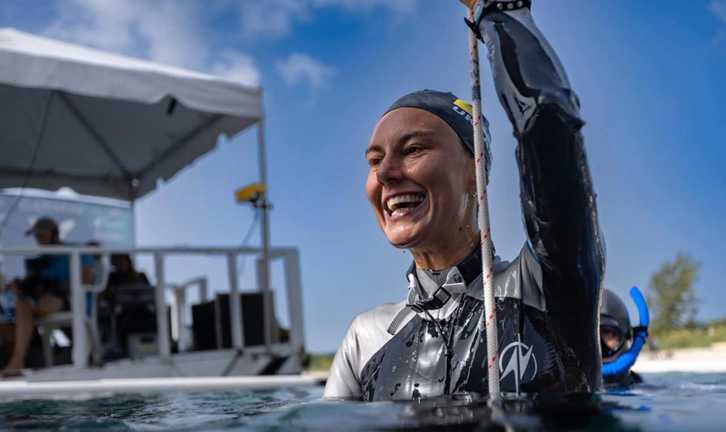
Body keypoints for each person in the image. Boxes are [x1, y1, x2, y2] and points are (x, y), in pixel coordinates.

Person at [324, 0, 605, 401]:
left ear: (475, 171)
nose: (385, 174)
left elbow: (548, 124)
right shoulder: (364, 338)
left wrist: (500, 12)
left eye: (413, 149)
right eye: (374, 160)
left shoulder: (545, 287)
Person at [0, 217, 93, 375]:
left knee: (26, 309)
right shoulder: (41, 260)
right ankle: (17, 360)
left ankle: (20, 356)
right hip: (40, 303)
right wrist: (21, 285)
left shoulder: (77, 251)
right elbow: (33, 287)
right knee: (19, 306)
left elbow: (84, 281)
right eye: (36, 236)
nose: (38, 240)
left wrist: (55, 284)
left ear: (55, 234)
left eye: (41, 236)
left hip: (70, 300)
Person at [600, 287, 649, 387]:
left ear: (629, 337)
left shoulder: (640, 388)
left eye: (607, 332)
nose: (598, 345)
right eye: (592, 336)